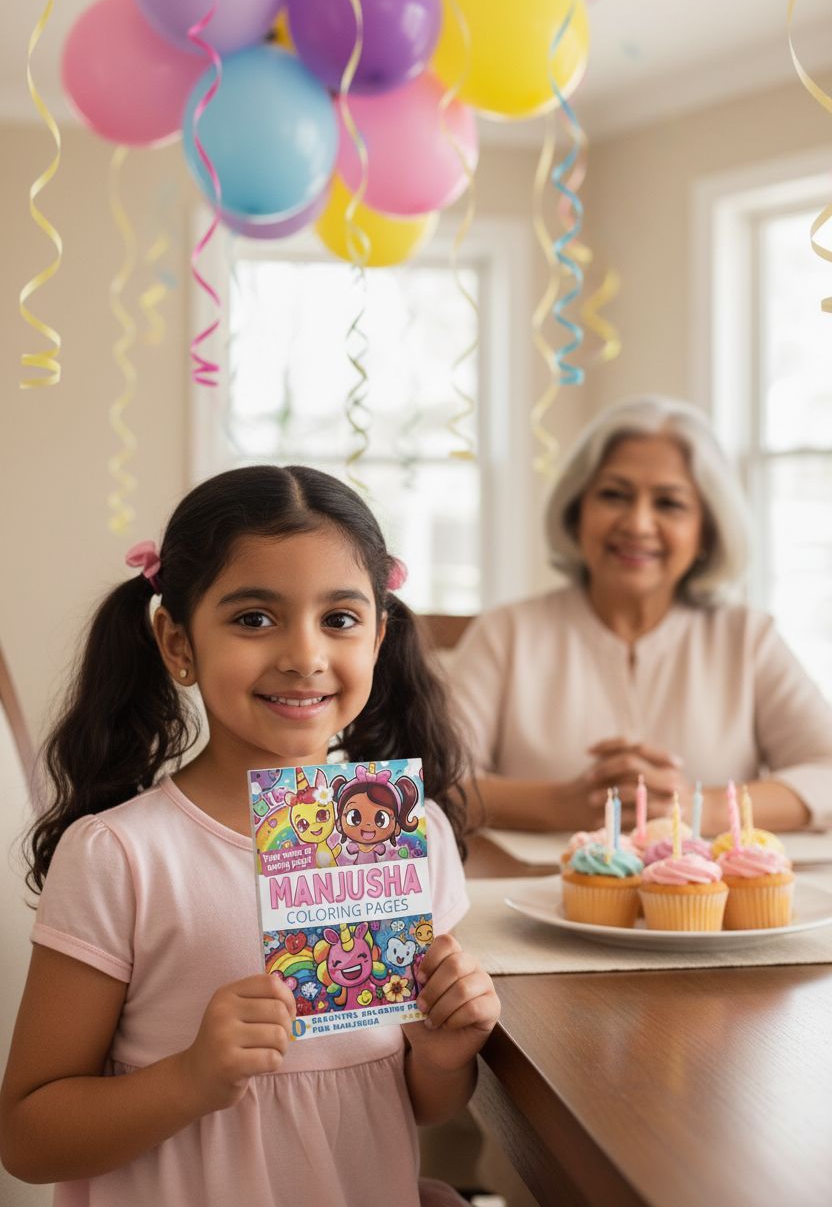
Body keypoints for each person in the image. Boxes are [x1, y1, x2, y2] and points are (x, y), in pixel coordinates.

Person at [0, 465, 500, 1207]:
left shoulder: (411, 835)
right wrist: (193, 1076)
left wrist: (444, 1052)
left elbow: (417, 1103)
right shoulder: (122, 857)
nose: (304, 655)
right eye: (254, 619)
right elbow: (28, 1139)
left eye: (339, 619)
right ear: (177, 641)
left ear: (379, 635)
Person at [448, 394, 832, 837]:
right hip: (523, 898)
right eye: (614, 495)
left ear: (706, 530)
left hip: (705, 901)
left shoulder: (747, 638)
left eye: (669, 503)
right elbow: (432, 785)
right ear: (577, 512)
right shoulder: (506, 633)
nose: (637, 524)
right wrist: (561, 806)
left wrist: (698, 809)